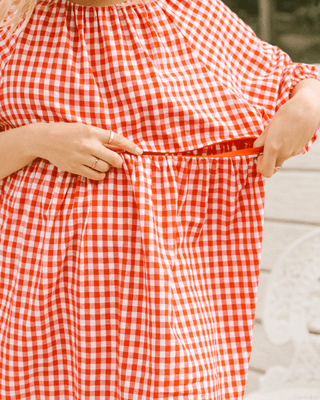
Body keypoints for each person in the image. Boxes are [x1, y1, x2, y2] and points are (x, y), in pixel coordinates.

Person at [0, 0, 319, 398]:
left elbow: (294, 80)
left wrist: (308, 103)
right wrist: (36, 140)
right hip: (38, 295)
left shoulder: (187, 12)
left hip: (166, 298)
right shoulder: (13, 23)